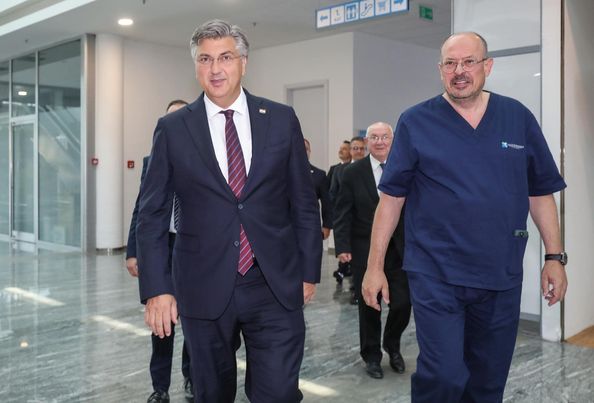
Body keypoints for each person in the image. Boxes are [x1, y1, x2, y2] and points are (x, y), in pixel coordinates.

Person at [362, 32, 568, 402]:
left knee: (488, 380)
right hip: (435, 273)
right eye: (450, 63)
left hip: (500, 273)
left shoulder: (517, 117)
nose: (460, 71)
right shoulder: (415, 121)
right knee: (442, 376)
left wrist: (554, 257)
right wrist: (374, 267)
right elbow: (391, 199)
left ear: (487, 66)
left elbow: (540, 192)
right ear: (440, 70)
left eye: (469, 61)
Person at [136, 19, 322, 403]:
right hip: (202, 286)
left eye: (225, 57)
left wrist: (308, 272)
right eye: (205, 59)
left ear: (244, 62)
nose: (215, 68)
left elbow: (303, 202)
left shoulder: (281, 119)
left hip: (273, 283)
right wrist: (157, 289)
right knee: (212, 393)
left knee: (279, 393)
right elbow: (151, 213)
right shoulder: (173, 129)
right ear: (196, 66)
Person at [125, 99, 193, 403]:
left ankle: (192, 377)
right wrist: (133, 250)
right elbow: (142, 209)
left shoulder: (201, 159)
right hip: (161, 247)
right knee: (161, 322)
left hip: (193, 249)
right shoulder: (151, 161)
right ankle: (160, 387)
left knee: (193, 317)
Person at [333, 122, 411, 380]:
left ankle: (392, 345)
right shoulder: (352, 173)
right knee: (369, 306)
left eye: (384, 137)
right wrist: (342, 246)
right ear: (366, 142)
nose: (379, 141)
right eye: (374, 137)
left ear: (393, 140)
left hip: (400, 251)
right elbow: (343, 211)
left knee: (403, 303)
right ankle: (372, 356)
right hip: (365, 252)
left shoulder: (405, 168)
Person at [329, 136, 366, 284]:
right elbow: (333, 193)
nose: (358, 151)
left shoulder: (371, 169)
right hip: (347, 220)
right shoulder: (340, 170)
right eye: (355, 148)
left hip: (365, 223)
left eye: (361, 148)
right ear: (350, 151)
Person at [304, 138, 332, 240]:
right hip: (286, 225)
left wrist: (327, 226)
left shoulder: (319, 175)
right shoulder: (283, 172)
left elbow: (326, 203)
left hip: (310, 225)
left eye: (306, 149)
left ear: (310, 151)